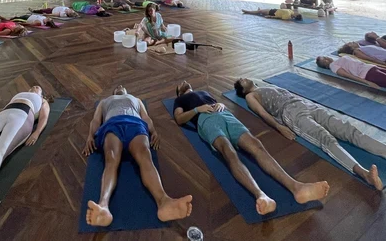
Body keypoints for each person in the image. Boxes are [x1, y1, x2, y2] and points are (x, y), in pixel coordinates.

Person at [173, 81, 328, 215]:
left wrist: (221, 104)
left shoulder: (204, 92)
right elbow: (179, 119)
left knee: (257, 146)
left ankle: (297, 187)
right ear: (179, 92)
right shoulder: (180, 100)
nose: (185, 81)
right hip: (205, 119)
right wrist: (196, 110)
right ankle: (261, 195)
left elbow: (216, 104)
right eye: (181, 83)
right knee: (229, 151)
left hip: (224, 114)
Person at [234, 78, 386, 189]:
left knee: (347, 129)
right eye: (240, 81)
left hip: (306, 104)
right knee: (325, 138)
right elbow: (261, 113)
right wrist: (279, 127)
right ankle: (364, 174)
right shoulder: (250, 96)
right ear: (243, 90)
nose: (243, 78)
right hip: (291, 113)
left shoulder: (266, 85)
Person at [83, 85, 192, 226]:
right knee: (111, 158)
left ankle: (164, 201)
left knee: (145, 156)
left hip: (135, 124)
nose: (120, 86)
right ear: (114, 92)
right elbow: (96, 120)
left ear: (127, 91)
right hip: (112, 124)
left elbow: (146, 117)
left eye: (122, 86)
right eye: (117, 86)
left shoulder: (136, 99)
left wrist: (154, 132)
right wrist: (90, 137)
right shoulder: (105, 101)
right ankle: (103, 205)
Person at [316, 55, 386, 89]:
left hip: (371, 67)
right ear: (325, 65)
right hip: (368, 73)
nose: (327, 58)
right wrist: (367, 82)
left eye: (325, 57)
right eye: (325, 60)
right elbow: (346, 75)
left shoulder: (339, 60)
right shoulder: (333, 66)